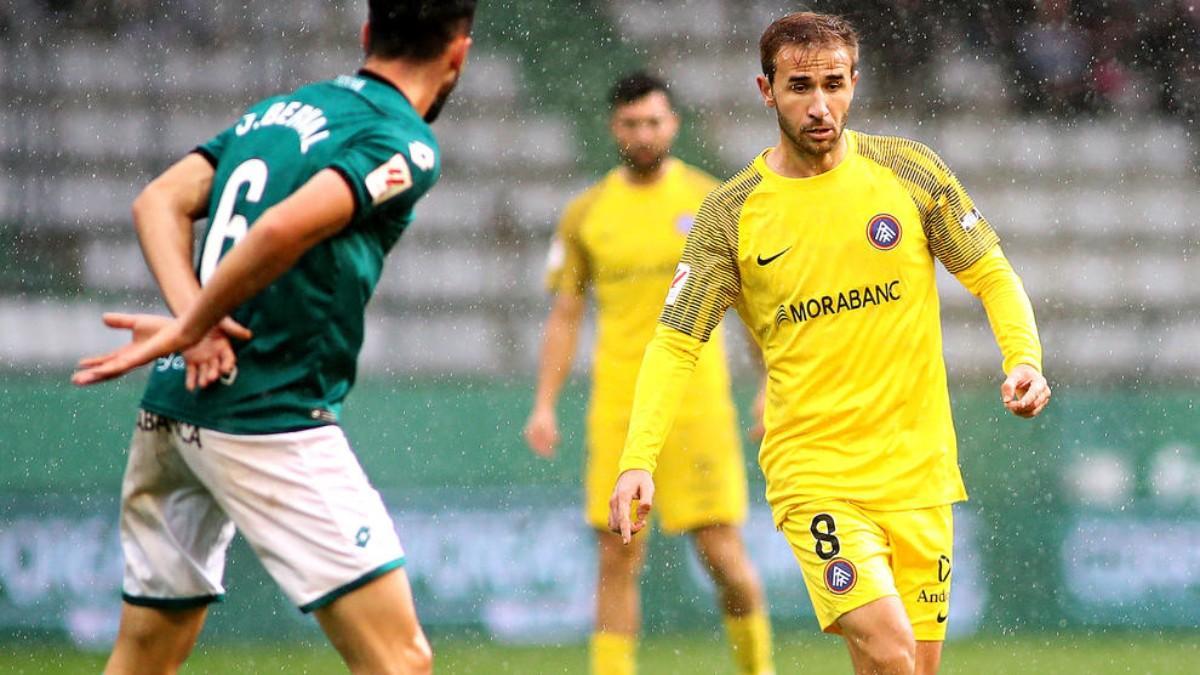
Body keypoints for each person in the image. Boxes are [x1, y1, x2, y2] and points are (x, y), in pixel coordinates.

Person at [609, 12, 1050, 675]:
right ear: (767, 90)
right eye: (799, 87)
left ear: (854, 82)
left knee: (903, 667)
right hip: (815, 473)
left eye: (833, 84)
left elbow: (991, 273)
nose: (820, 105)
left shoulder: (907, 171)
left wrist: (1023, 360)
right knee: (894, 654)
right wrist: (637, 457)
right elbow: (677, 343)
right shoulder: (730, 215)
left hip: (919, 468)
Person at [70, 2, 475, 673]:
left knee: (144, 656)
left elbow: (158, 200)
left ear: (367, 34)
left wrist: (190, 326)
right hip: (269, 416)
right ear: (458, 54)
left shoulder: (278, 113)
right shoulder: (403, 139)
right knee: (401, 660)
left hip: (175, 406)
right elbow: (282, 231)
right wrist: (194, 324)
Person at [525, 72, 774, 675]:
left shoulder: (711, 201)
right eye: (632, 124)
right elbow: (565, 314)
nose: (644, 133)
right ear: (616, 128)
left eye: (654, 121)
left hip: (697, 402)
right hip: (619, 403)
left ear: (674, 124)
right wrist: (544, 403)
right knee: (618, 553)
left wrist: (771, 385)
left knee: (723, 556)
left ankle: (757, 669)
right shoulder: (587, 213)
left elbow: (749, 305)